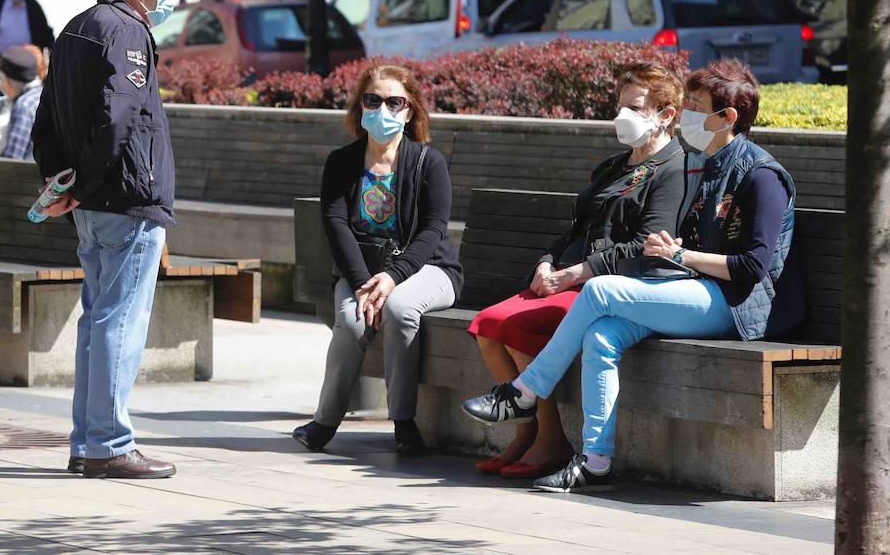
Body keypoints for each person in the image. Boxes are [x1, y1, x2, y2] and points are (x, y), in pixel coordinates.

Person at [461, 59, 804, 493]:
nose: (687, 116)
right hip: (698, 291)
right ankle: (596, 460)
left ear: (728, 117)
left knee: (601, 289)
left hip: (740, 307)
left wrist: (682, 254)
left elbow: (752, 268)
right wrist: (678, 255)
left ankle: (525, 391)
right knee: (601, 336)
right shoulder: (708, 165)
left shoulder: (761, 176)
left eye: (696, 106)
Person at [465, 62, 686, 480]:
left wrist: (574, 275)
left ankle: (550, 437)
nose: (624, 116)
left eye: (636, 107)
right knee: (486, 325)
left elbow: (647, 246)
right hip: (565, 275)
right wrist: (547, 262)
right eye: (621, 105)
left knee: (510, 326)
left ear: (667, 114)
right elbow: (575, 227)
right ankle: (528, 431)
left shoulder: (673, 170)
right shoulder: (613, 166)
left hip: (603, 286)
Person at [32, 0, 179, 480]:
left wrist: (59, 184)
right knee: (118, 324)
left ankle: (87, 442)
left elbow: (45, 121)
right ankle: (109, 445)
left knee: (97, 323)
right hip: (123, 200)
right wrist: (88, 185)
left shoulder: (74, 28)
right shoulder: (127, 30)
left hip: (92, 204)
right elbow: (117, 118)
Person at [291, 64, 462, 457]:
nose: (383, 109)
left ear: (410, 111)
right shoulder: (341, 163)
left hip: (428, 269)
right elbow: (336, 226)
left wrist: (392, 278)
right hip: (362, 273)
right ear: (360, 106)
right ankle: (324, 422)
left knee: (401, 309)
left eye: (394, 102)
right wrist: (361, 281)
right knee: (352, 320)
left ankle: (403, 422)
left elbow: (433, 230)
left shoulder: (427, 162)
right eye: (373, 100)